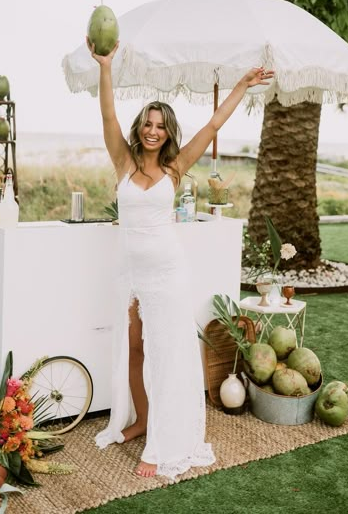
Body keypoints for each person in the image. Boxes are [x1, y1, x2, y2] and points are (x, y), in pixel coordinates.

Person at [88, 37, 274, 480]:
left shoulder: (174, 168)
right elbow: (108, 114)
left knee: (167, 356)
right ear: (140, 128)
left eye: (161, 125)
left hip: (167, 274)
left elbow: (212, 126)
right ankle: (143, 420)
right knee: (134, 349)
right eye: (148, 124)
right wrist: (106, 66)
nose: (153, 131)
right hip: (131, 273)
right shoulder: (124, 163)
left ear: (169, 132)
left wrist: (243, 85)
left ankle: (163, 443)